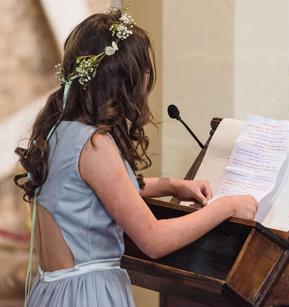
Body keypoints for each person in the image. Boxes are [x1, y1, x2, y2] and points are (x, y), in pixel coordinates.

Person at [14, 8, 258, 307]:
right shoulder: (95, 144)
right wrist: (225, 206)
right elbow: (154, 240)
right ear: (124, 80)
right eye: (143, 72)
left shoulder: (61, 130)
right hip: (87, 294)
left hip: (56, 291)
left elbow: (96, 192)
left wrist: (171, 186)